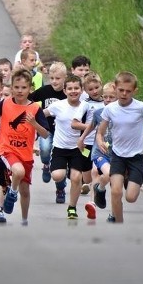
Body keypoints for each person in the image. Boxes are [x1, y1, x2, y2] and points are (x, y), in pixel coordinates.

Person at [0, 68, 49, 225]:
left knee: (25, 190)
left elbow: (45, 135)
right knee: (18, 171)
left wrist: (34, 124)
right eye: (16, 87)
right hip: (6, 149)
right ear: (12, 87)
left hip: (25, 153)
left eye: (24, 87)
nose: (20, 91)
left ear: (30, 88)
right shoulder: (5, 104)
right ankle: (11, 193)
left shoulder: (35, 108)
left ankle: (24, 220)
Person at [95, 71, 143, 223]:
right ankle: (119, 223)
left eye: (128, 91)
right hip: (118, 155)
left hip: (136, 157)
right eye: (121, 90)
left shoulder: (141, 108)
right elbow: (100, 132)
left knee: (131, 197)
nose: (124, 94)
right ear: (115, 87)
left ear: (134, 91)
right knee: (116, 191)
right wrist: (99, 140)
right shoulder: (110, 109)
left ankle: (126, 179)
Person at [45, 75, 89, 220]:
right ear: (64, 91)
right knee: (57, 176)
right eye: (70, 88)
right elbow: (41, 114)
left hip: (77, 148)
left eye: (76, 88)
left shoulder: (86, 106)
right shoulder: (58, 106)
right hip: (60, 148)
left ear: (82, 90)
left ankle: (72, 207)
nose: (73, 91)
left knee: (76, 178)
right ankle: (61, 170)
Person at [29, 61, 67, 200]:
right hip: (47, 129)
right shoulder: (45, 91)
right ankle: (46, 164)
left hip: (63, 133)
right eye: (52, 78)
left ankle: (60, 189)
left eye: (58, 78)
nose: (54, 81)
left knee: (60, 163)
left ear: (65, 78)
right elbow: (29, 98)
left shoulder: (67, 93)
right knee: (44, 150)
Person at [77, 82, 116, 219]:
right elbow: (91, 126)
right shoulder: (99, 113)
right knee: (94, 172)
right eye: (105, 97)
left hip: (115, 152)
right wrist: (82, 139)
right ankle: (92, 204)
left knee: (113, 180)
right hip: (98, 149)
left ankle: (111, 206)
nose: (108, 100)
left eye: (111, 97)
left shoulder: (120, 113)